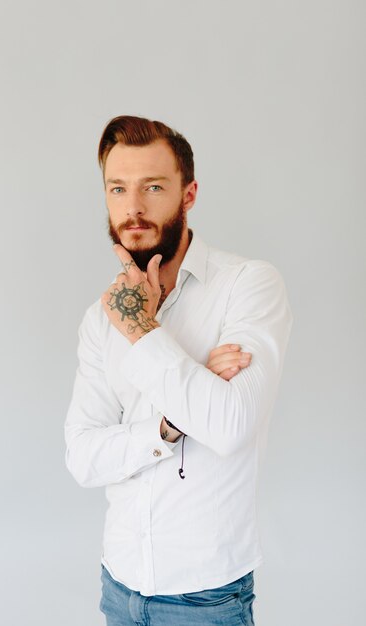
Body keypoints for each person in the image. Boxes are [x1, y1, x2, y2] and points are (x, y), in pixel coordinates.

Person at [64, 115, 293, 626]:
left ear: (188, 195)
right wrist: (173, 421)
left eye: (153, 187)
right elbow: (82, 456)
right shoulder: (101, 319)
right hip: (118, 587)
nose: (134, 207)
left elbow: (231, 427)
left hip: (205, 599)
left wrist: (141, 330)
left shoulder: (248, 286)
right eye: (118, 188)